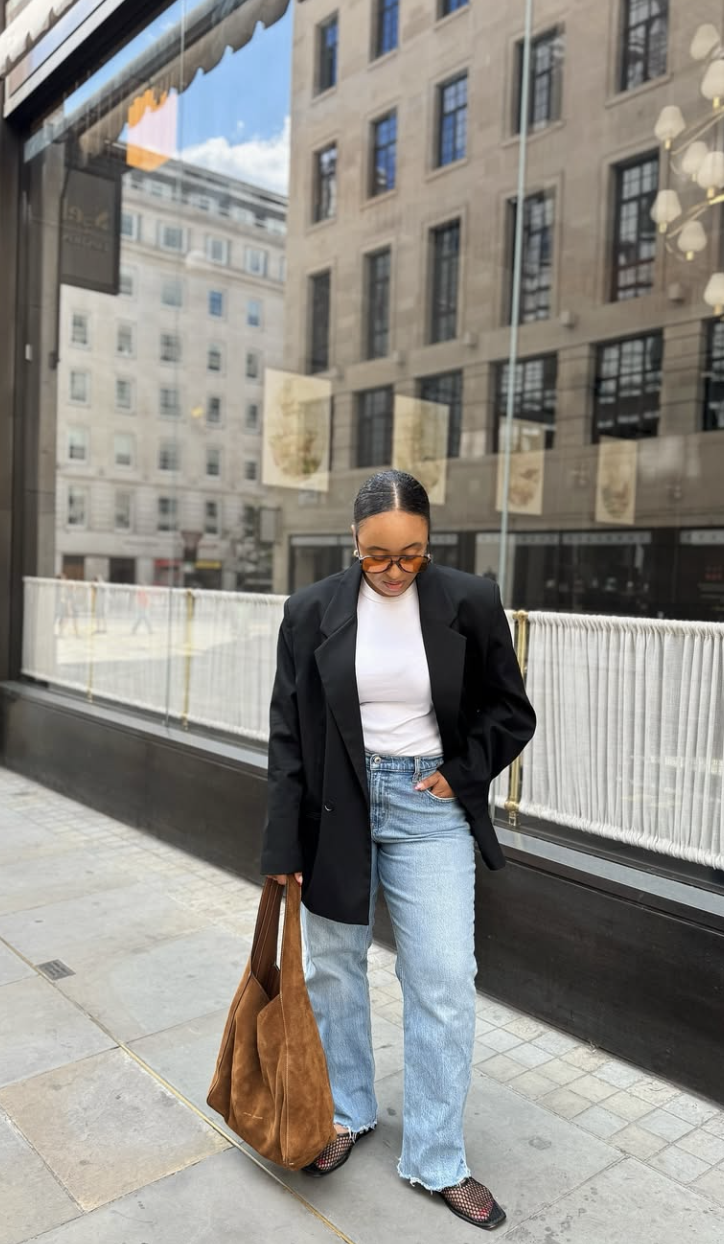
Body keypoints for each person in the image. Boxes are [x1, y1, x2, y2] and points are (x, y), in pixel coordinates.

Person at [261, 470, 536, 1231]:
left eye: (411, 556)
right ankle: (347, 1111)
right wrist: (281, 844)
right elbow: (288, 735)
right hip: (335, 804)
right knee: (334, 969)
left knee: (444, 978)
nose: (393, 572)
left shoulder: (468, 602)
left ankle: (439, 1157)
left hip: (428, 805)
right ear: (354, 544)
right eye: (377, 557)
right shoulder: (311, 610)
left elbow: (511, 711)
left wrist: (461, 773)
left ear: (428, 544)